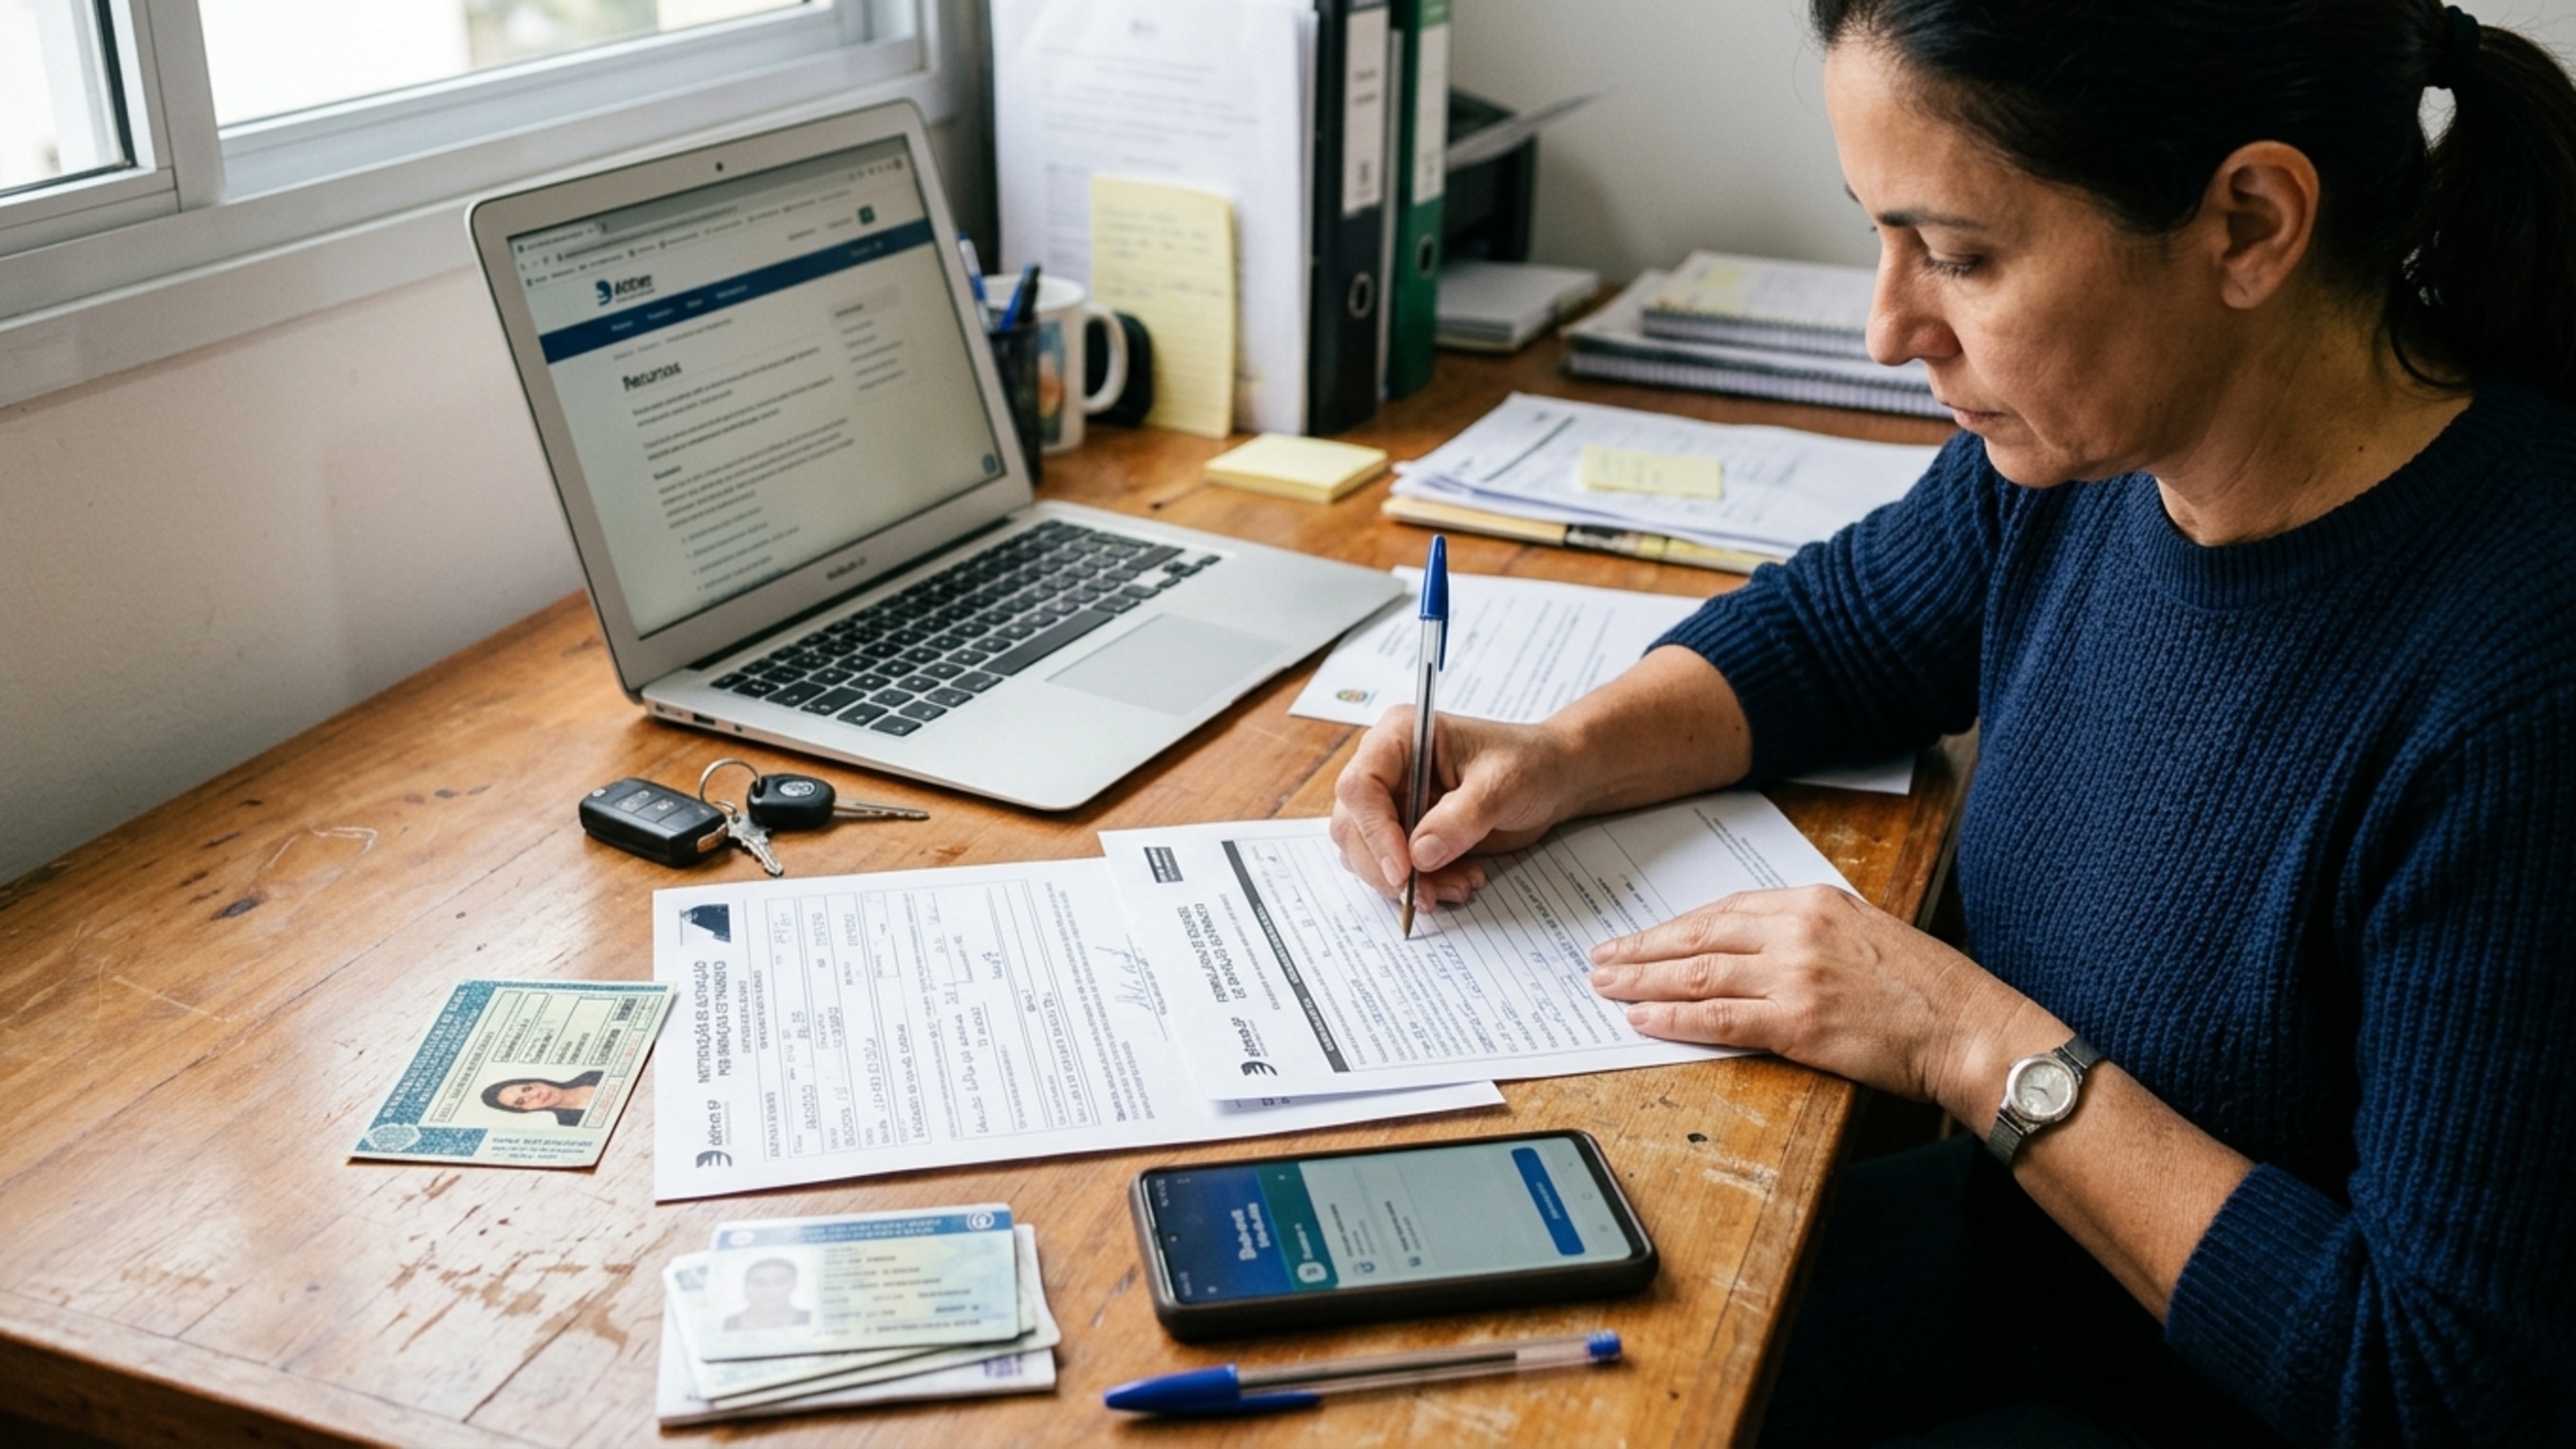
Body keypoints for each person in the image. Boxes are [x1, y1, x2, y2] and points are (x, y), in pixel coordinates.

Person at [1328, 2, 2576, 1443]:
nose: (1887, 330)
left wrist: (1967, 1043)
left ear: (2247, 223)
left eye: (1962, 257)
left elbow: (2429, 1385)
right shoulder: (2094, 453)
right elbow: (1841, 631)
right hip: (2034, 1276)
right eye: (1881, 236)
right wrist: (1562, 753)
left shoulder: (2516, 691)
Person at [478, 1070, 601, 1127]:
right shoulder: (571, 1124)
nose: (534, 1094)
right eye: (520, 1101)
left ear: (538, 1082)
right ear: (527, 1109)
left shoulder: (592, 1074)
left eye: (527, 1089)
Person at [723, 1258, 810, 1332]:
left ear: (793, 1285)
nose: (769, 1291)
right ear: (746, 1287)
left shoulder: (809, 1319)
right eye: (759, 1283)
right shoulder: (729, 1324)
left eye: (779, 1282)